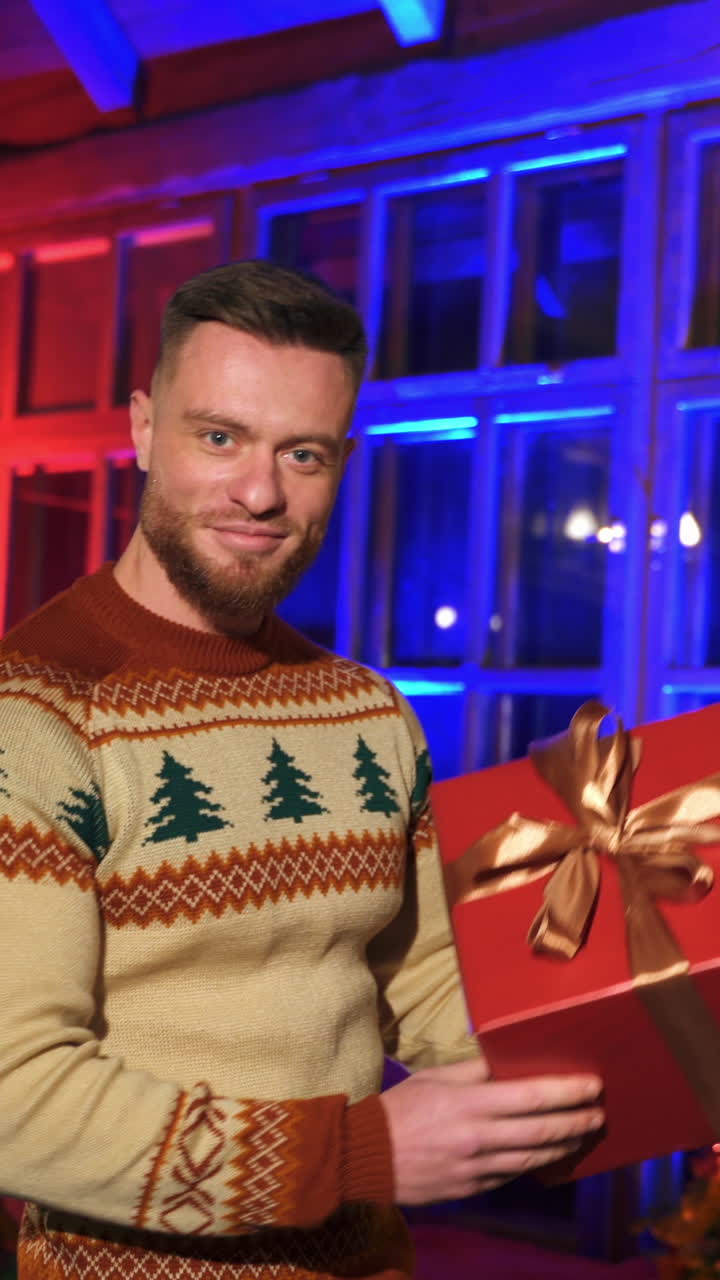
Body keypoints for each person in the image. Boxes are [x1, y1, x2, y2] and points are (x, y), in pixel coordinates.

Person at [0, 260, 603, 1280]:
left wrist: (620, 1047)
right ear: (146, 428)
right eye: (219, 436)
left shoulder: (366, 710)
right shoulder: (37, 713)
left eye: (304, 452)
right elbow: (18, 1098)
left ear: (342, 461)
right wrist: (361, 1153)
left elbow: (426, 981)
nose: (259, 490)